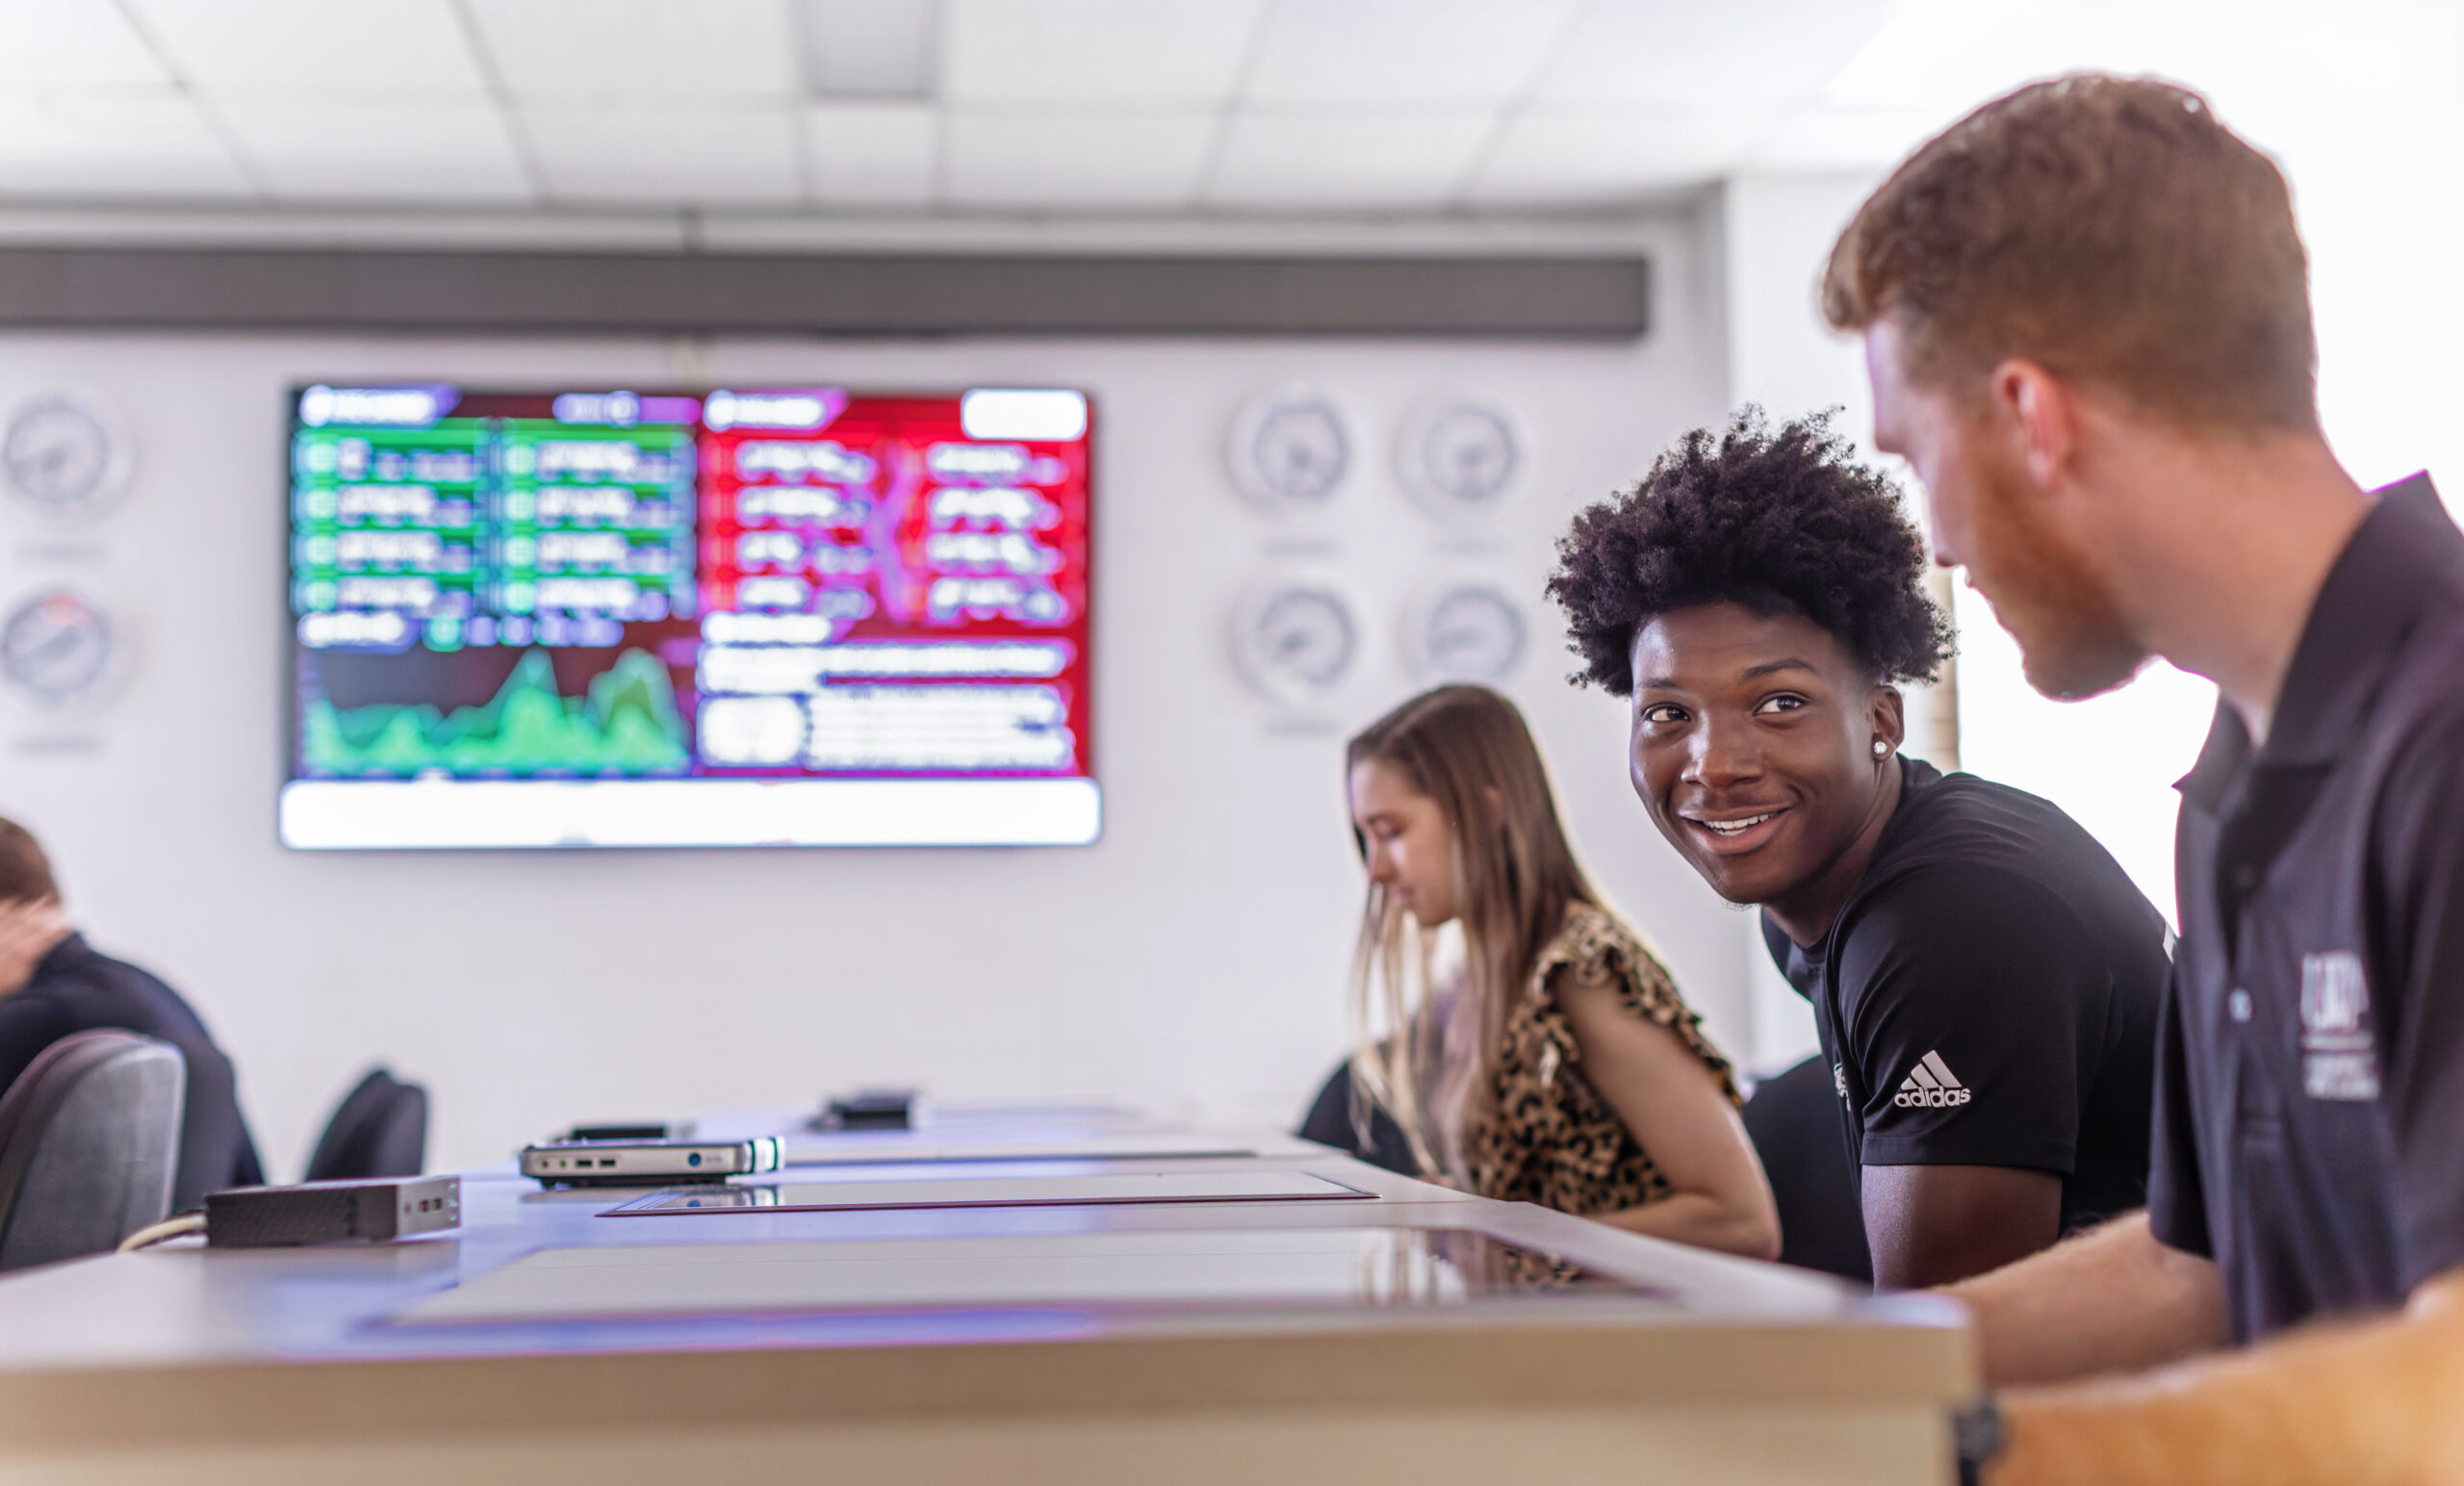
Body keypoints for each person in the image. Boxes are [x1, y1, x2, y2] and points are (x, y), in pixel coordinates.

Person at [1821, 72, 2464, 1485]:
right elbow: (2201, 1265)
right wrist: (1794, 1379)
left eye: (1916, 457)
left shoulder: (2442, 745)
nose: (1937, 541)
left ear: (2032, 417)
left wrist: (1969, 1458)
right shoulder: (2242, 779)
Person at [1547, 409, 2169, 1290]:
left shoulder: (1948, 922)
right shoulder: (1820, 897)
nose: (1714, 766)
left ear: (1881, 718)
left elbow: (1942, 1339)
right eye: (1668, 714)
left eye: (1779, 704)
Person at [1339, 683, 1780, 1260]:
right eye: (1365, 838)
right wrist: (1468, 1210)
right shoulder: (1476, 980)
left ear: (1487, 813)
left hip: (1628, 1336)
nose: (1374, 871)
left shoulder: (1583, 969)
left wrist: (1501, 1231)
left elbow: (1743, 1223)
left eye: (1391, 832)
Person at [0, 818, 262, 1195]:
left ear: (13, 913)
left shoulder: (42, 1019)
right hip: (202, 1245)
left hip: (92, 1255)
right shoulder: (141, 988)